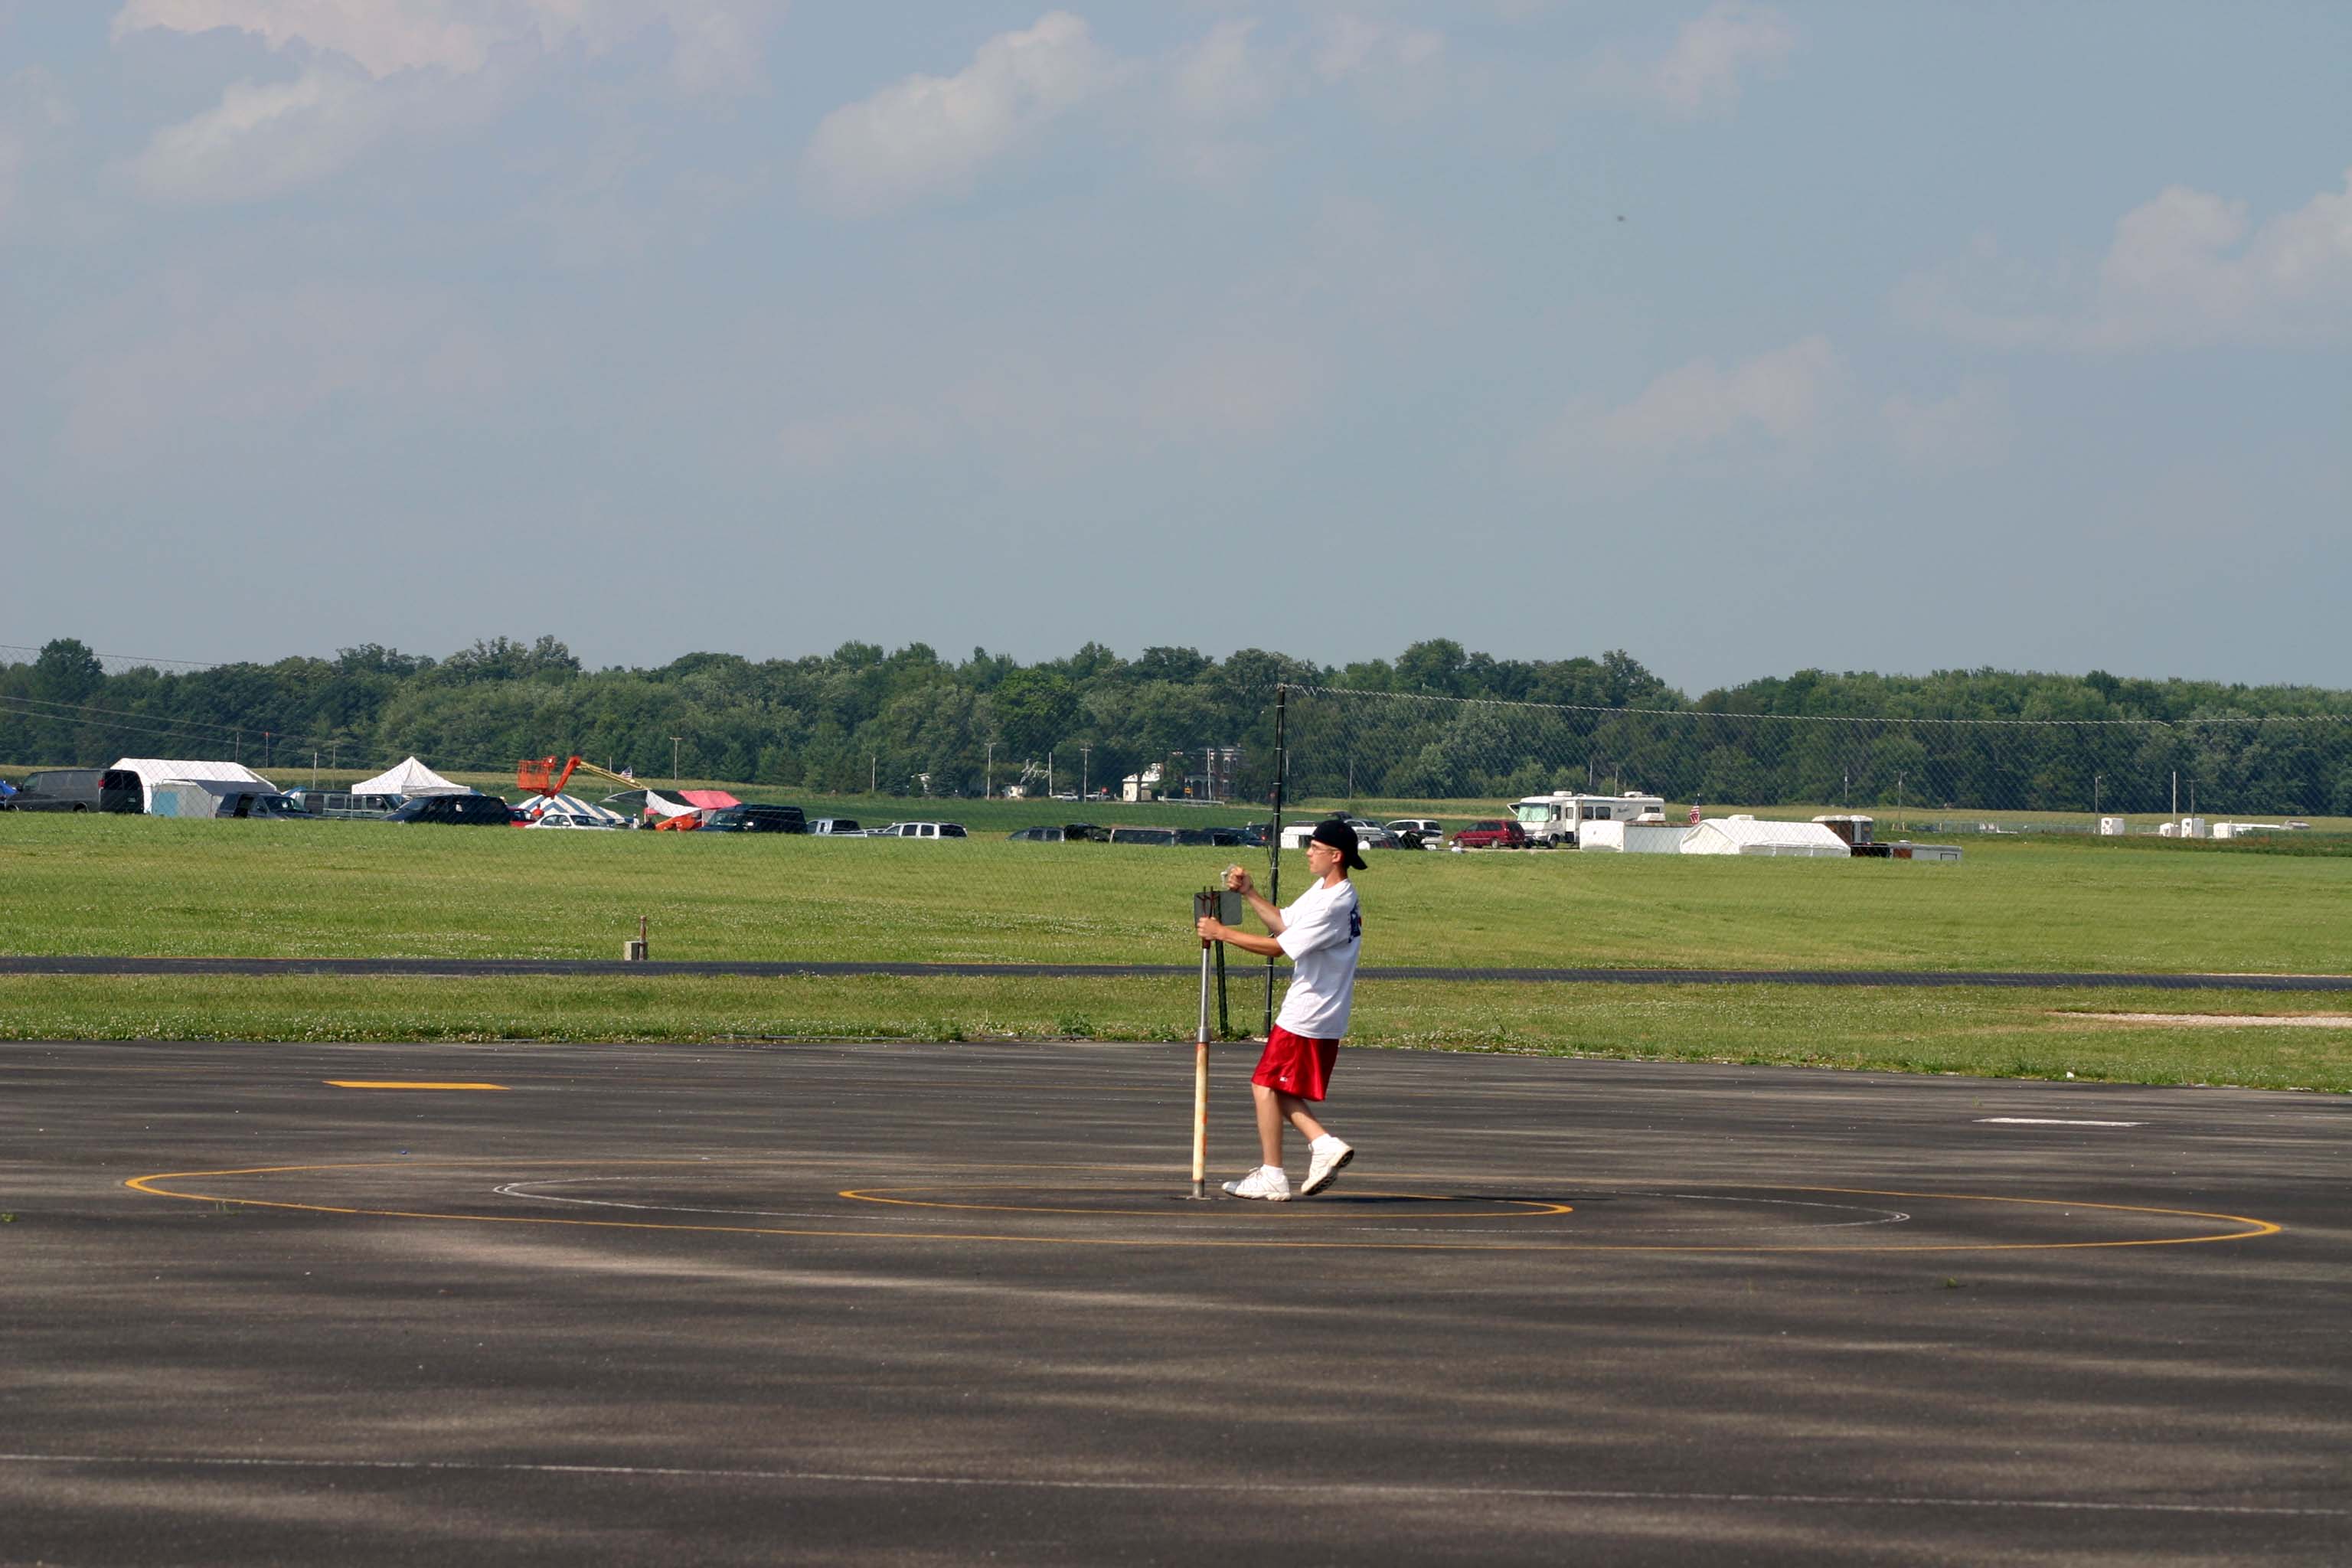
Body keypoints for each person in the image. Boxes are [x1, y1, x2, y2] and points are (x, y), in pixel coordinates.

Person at [1194, 818, 1364, 1201]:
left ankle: (1282, 1168)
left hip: (1311, 1009)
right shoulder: (1325, 890)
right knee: (1275, 1085)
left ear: (1336, 856)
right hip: (1317, 1007)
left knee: (1264, 1084)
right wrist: (1250, 893)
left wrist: (1222, 933)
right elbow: (1285, 924)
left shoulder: (1334, 904)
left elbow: (1279, 948)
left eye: (1315, 848)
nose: (1308, 853)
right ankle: (1319, 1146)